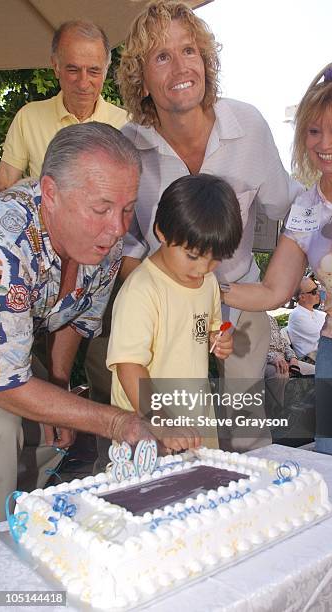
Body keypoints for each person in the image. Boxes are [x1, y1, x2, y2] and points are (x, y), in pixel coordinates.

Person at [86, 0, 302, 452]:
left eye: (189, 50)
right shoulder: (129, 146)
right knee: (165, 418)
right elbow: (123, 241)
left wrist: (270, 291)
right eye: (161, 57)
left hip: (236, 295)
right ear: (141, 79)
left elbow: (291, 209)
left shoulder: (248, 124)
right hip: (164, 298)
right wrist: (156, 297)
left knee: (244, 425)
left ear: (206, 60)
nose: (180, 66)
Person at [0, 122, 197, 522]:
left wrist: (59, 386)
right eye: (102, 209)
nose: (118, 228)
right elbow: (6, 384)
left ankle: (27, 520)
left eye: (127, 209)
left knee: (50, 432)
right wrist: (119, 422)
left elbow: (75, 321)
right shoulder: (5, 247)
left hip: (11, 350)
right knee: (3, 430)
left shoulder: (105, 241)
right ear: (51, 193)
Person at [222, 61, 332, 464]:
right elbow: (274, 290)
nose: (323, 143)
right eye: (313, 131)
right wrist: (203, 287)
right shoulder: (307, 207)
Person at [107, 174, 241, 450]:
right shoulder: (142, 290)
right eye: (193, 256)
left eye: (215, 259)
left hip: (196, 423)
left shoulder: (208, 283)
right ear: (161, 232)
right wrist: (161, 421)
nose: (203, 268)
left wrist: (219, 339)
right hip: (148, 430)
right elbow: (129, 366)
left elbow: (206, 331)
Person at [0, 20, 127, 192]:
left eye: (94, 71)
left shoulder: (128, 125)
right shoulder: (29, 117)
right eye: (73, 70)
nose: (83, 83)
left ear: (105, 70)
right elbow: (4, 183)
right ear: (56, 67)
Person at [287, 276, 326, 362]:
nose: (318, 293)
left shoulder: (317, 313)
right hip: (310, 359)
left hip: (322, 355)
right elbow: (325, 334)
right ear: (302, 297)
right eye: (313, 292)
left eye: (317, 289)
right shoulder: (297, 315)